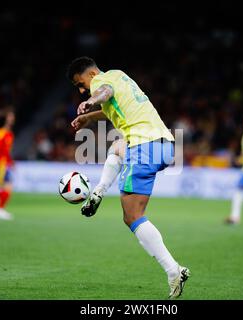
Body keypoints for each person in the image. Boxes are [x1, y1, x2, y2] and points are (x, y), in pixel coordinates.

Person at [68, 57, 190, 299]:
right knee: (117, 147)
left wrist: (90, 100)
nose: (82, 90)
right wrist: (91, 117)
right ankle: (99, 190)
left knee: (132, 216)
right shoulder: (118, 74)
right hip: (165, 145)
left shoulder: (100, 82)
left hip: (144, 146)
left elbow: (105, 92)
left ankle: (173, 270)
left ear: (90, 74)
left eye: (80, 83)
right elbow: (112, 102)